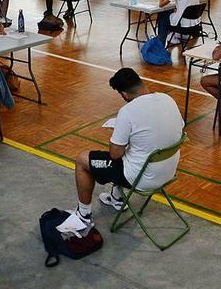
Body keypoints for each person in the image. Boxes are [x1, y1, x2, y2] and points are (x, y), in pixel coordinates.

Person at [71, 68, 184, 222]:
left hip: (142, 178)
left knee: (82, 159)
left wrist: (115, 137)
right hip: (168, 172)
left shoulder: (127, 112)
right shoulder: (167, 99)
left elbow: (115, 154)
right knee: (136, 149)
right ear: (140, 82)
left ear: (124, 94)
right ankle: (117, 199)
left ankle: (83, 215)